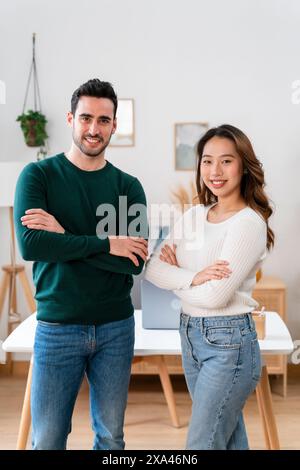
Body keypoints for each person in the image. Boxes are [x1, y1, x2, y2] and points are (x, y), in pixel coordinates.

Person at [14, 78, 148, 450]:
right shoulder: (38, 176)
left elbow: (134, 262)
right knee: (49, 438)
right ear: (71, 118)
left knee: (111, 438)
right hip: (58, 326)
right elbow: (31, 245)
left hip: (116, 328)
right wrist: (108, 244)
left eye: (103, 120)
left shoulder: (128, 187)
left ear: (114, 126)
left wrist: (63, 235)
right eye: (86, 118)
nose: (93, 128)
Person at [145, 124, 274, 450]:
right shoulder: (193, 216)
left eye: (226, 161)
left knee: (202, 443)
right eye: (207, 160)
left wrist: (179, 274)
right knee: (227, 438)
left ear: (244, 166)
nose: (215, 171)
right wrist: (194, 277)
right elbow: (150, 268)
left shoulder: (248, 223)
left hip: (229, 344)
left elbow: (215, 297)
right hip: (190, 336)